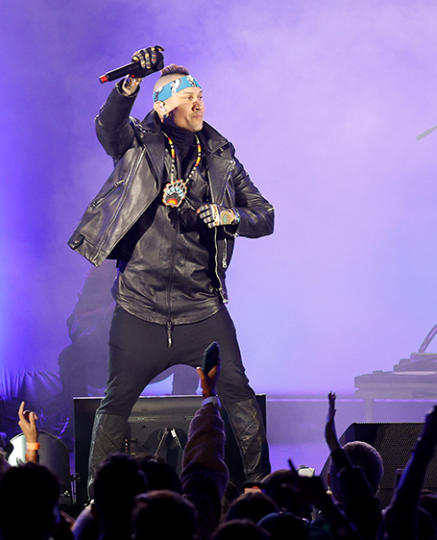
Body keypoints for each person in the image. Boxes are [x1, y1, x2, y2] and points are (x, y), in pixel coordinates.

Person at [68, 46, 274, 485]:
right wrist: (129, 87)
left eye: (200, 96)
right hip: (139, 309)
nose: (197, 102)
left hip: (201, 311)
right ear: (163, 107)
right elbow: (109, 130)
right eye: (186, 97)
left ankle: (261, 489)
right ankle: (96, 499)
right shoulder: (139, 146)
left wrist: (229, 216)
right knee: (116, 401)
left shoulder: (221, 159)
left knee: (239, 395)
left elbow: (265, 215)